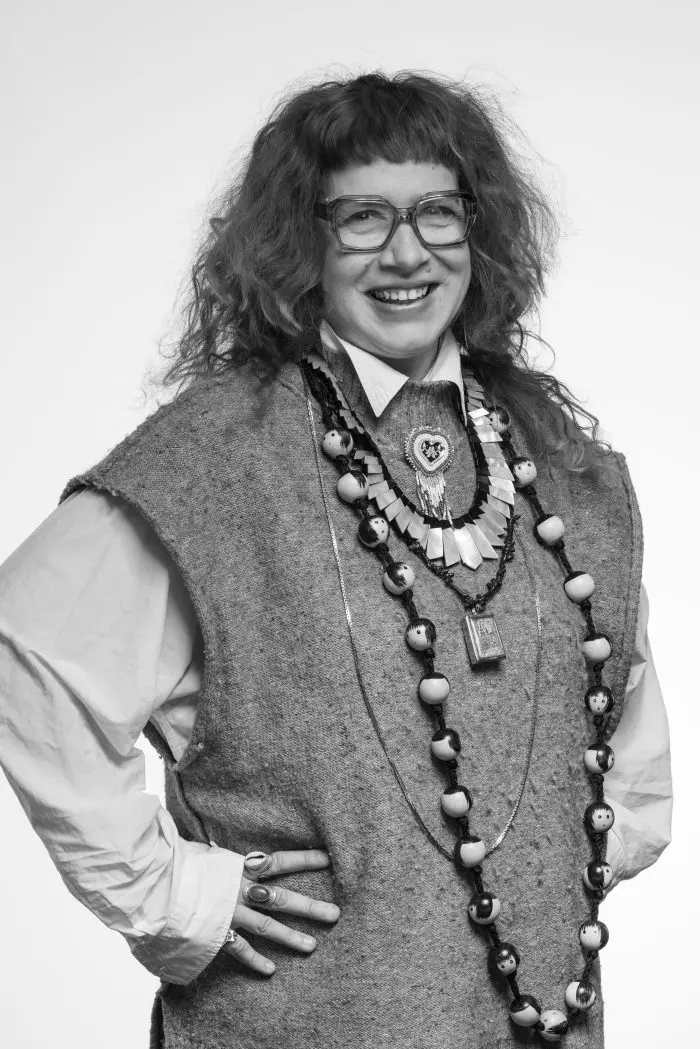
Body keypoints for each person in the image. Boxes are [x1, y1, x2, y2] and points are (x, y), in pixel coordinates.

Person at [0, 71, 672, 1048]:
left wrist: (556, 855)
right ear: (300, 238)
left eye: (437, 212)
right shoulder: (215, 459)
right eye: (361, 216)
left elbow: (622, 734)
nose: (406, 251)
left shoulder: (563, 469)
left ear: (476, 233)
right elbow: (29, 644)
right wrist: (174, 894)